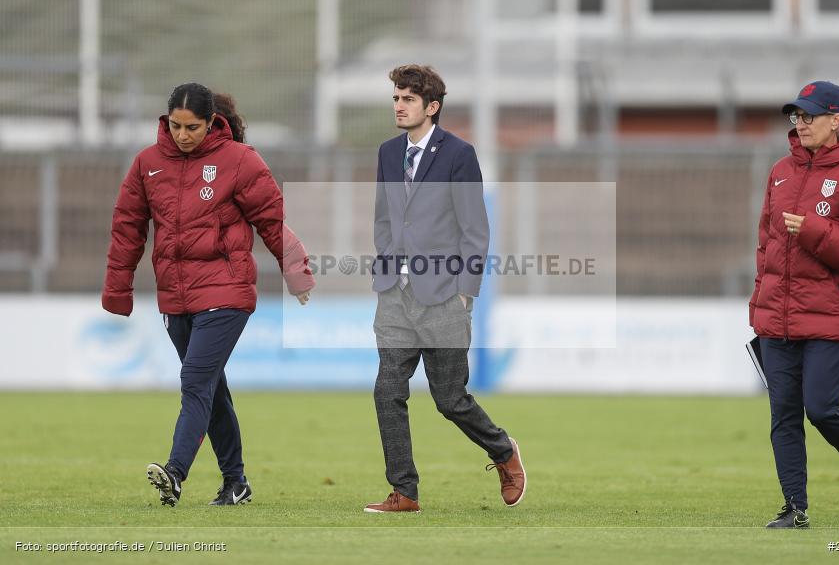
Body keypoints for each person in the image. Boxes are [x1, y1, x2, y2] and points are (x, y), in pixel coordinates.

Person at [102, 82, 314, 507]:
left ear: (212, 122)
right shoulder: (147, 164)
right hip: (175, 297)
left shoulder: (239, 161)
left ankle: (175, 473)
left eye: (193, 127)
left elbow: (272, 220)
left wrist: (296, 271)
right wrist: (117, 290)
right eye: (176, 126)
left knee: (195, 381)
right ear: (166, 121)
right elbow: (127, 229)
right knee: (211, 390)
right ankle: (236, 482)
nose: (183, 135)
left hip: (227, 291)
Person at [364, 64, 526, 513]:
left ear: (431, 107)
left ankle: (503, 451)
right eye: (396, 98)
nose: (399, 106)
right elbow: (384, 216)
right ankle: (405, 492)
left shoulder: (459, 153)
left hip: (444, 296)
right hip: (395, 293)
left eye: (408, 99)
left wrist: (465, 291)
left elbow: (475, 228)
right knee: (387, 391)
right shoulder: (386, 152)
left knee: (450, 400)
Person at [749, 81, 839, 528]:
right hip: (778, 317)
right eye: (797, 116)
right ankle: (796, 508)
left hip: (833, 315)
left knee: (822, 408)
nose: (801, 123)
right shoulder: (779, 172)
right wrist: (759, 304)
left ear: (838, 120)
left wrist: (812, 230)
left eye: (810, 115)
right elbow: (765, 247)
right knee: (783, 416)